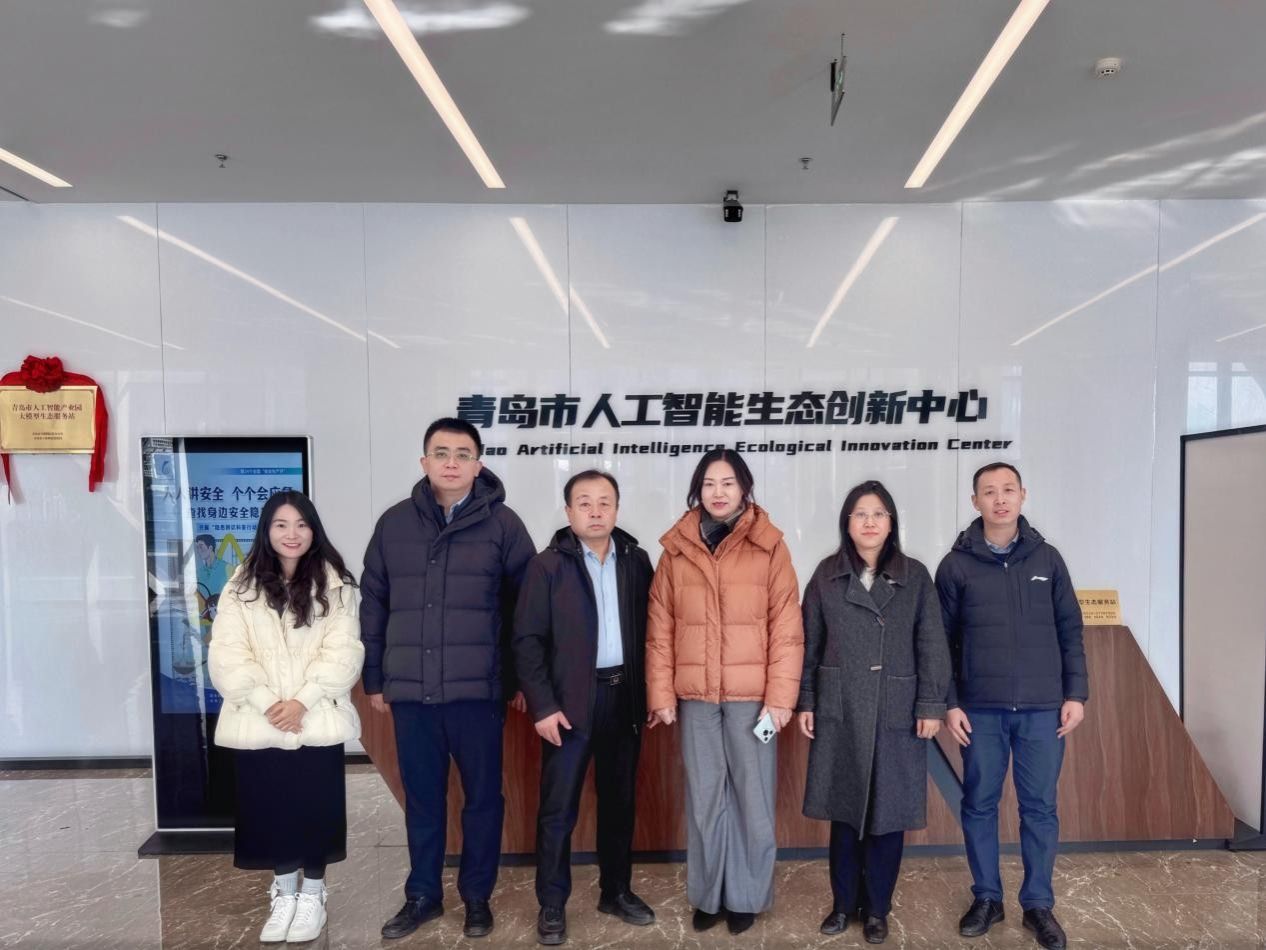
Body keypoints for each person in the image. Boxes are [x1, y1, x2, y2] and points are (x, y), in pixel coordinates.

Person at [361, 417, 536, 941]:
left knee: (483, 799)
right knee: (423, 799)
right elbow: (374, 603)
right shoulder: (394, 524)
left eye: (463, 454)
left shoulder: (504, 525)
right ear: (424, 462)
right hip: (412, 693)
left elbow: (526, 610)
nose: (452, 463)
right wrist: (375, 676)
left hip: (478, 691)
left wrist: (519, 680)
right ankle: (422, 895)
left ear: (478, 465)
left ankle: (477, 896)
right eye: (441, 453)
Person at [645, 448, 804, 935]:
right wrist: (661, 694)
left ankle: (746, 896)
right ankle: (709, 895)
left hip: (752, 700)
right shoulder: (677, 549)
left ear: (744, 489)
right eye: (709, 484)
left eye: (728, 483)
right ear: (698, 489)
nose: (718, 492)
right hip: (696, 698)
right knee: (705, 798)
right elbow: (660, 628)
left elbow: (787, 628)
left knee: (752, 800)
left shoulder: (769, 546)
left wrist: (780, 699)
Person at [936, 462, 1088, 950]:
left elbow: (1070, 630)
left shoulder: (1048, 560)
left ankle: (1038, 904)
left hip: (1043, 710)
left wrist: (1075, 694)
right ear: (974, 501)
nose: (999, 499)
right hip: (980, 710)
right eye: (989, 492)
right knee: (979, 804)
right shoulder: (955, 566)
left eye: (1008, 490)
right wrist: (950, 702)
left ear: (1023, 495)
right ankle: (987, 897)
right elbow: (939, 643)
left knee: (1039, 807)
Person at [797, 480, 950, 944]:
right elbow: (808, 644)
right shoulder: (826, 574)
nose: (869, 522)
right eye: (860, 514)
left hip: (894, 707)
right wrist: (807, 700)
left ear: (891, 523)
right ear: (847, 523)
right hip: (841, 706)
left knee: (887, 815)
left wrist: (931, 704)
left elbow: (932, 643)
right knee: (845, 814)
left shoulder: (914, 575)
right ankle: (843, 904)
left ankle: (878, 909)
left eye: (878, 514)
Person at [208, 491, 364, 944]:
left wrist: (303, 701)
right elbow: (227, 653)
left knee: (315, 808)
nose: (291, 533)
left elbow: (345, 650)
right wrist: (266, 703)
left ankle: (313, 894)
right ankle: (284, 894)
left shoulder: (338, 586)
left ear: (313, 530)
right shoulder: (239, 587)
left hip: (316, 716)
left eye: (301, 524)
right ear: (267, 530)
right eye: (281, 524)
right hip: (260, 719)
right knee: (271, 808)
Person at [513, 470, 656, 946]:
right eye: (585, 503)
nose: (595, 511)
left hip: (624, 698)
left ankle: (616, 891)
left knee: (620, 804)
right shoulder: (546, 566)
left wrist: (650, 694)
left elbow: (654, 633)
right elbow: (527, 642)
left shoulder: (636, 561)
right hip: (569, 706)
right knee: (558, 811)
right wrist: (543, 706)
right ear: (568, 511)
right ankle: (552, 904)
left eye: (604, 502)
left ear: (616, 509)